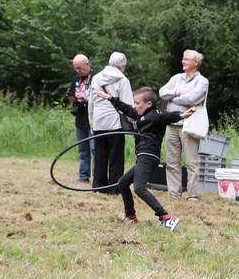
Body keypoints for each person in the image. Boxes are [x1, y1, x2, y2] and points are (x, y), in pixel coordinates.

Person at [94, 85, 189, 229]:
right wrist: (109, 98)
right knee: (123, 183)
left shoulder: (155, 116)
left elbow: (168, 117)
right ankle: (130, 215)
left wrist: (181, 115)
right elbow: (126, 109)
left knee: (139, 188)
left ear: (148, 104)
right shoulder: (139, 115)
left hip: (148, 155)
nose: (135, 106)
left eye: (137, 103)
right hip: (143, 156)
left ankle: (165, 217)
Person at [158, 50, 208, 201]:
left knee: (191, 162)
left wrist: (172, 97)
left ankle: (192, 195)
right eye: (183, 58)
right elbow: (162, 92)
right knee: (172, 161)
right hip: (172, 123)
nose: (183, 61)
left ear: (196, 63)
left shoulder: (202, 81)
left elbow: (192, 99)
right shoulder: (176, 78)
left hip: (189, 125)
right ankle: (174, 193)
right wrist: (178, 92)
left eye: (187, 59)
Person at [88, 52, 132, 198]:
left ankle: (98, 186)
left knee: (100, 155)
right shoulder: (123, 80)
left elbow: (91, 103)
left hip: (99, 120)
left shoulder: (96, 78)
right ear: (122, 65)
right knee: (116, 157)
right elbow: (127, 104)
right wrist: (133, 122)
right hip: (115, 122)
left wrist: (91, 122)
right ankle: (114, 188)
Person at [67, 54, 93, 186]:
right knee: (83, 151)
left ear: (87, 65)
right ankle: (83, 176)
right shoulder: (76, 78)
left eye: (79, 68)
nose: (78, 71)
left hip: (93, 121)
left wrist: (86, 98)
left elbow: (100, 99)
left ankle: (97, 177)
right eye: (75, 68)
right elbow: (71, 94)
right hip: (80, 119)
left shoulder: (96, 78)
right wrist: (73, 98)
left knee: (95, 150)